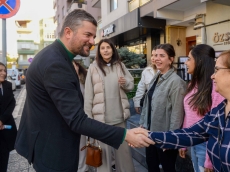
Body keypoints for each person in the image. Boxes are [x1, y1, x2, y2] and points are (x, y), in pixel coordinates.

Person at [15, 9, 154, 172]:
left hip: (47, 144)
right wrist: (125, 135)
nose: (92, 41)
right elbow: (77, 120)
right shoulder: (56, 63)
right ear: (68, 32)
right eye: (87, 35)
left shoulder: (54, 56)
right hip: (53, 152)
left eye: (94, 36)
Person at [84, 38, 135, 172]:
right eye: (102, 48)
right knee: (104, 158)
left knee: (124, 157)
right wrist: (88, 119)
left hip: (119, 118)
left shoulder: (120, 66)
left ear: (113, 49)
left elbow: (130, 85)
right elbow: (88, 95)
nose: (106, 50)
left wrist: (125, 83)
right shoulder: (93, 67)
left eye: (108, 47)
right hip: (101, 121)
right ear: (99, 51)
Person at [139, 43, 187, 172]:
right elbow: (148, 102)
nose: (156, 58)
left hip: (164, 135)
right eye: (154, 55)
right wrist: (143, 123)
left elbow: (177, 114)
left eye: (161, 55)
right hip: (150, 132)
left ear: (170, 60)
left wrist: (171, 139)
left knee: (168, 167)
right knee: (152, 166)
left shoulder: (176, 82)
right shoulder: (157, 76)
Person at [179, 44, 224, 172]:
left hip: (207, 146)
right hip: (193, 142)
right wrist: (184, 143)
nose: (185, 63)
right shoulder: (192, 85)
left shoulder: (215, 86)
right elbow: (188, 117)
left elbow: (217, 125)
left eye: (189, 59)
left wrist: (209, 160)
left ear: (199, 61)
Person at [0, 62, 17, 172]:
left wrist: (1, 120)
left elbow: (12, 103)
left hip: (5, 127)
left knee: (4, 156)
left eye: (4, 71)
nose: (3, 73)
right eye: (0, 70)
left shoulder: (8, 85)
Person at [72, 61, 89, 172]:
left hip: (84, 116)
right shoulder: (67, 80)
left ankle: (83, 168)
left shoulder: (85, 79)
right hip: (72, 116)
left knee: (83, 143)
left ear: (78, 66)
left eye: (73, 66)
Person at [133, 46, 157, 114]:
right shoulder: (147, 71)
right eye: (152, 55)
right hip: (149, 105)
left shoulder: (165, 72)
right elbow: (141, 88)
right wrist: (137, 103)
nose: (152, 58)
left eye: (156, 55)